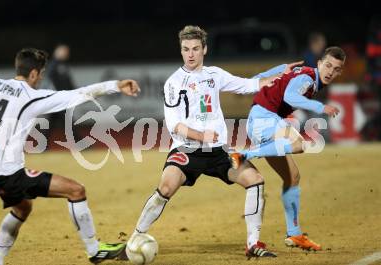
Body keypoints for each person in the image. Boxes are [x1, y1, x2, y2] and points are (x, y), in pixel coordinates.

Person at [0, 48, 140, 264]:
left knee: (23, 208)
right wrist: (115, 85)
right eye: (42, 74)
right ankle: (94, 251)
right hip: (11, 174)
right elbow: (79, 94)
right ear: (34, 74)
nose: (41, 78)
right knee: (76, 190)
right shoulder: (33, 97)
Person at [128, 25, 300, 258]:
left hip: (218, 152)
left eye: (195, 49)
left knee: (255, 180)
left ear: (204, 49)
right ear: (181, 51)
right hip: (187, 150)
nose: (190, 54)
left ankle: (253, 244)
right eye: (186, 49)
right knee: (166, 187)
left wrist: (280, 76)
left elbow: (248, 85)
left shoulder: (214, 75)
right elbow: (174, 125)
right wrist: (201, 136)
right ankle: (135, 238)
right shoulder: (173, 83)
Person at [231, 47, 346, 251]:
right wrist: (321, 107)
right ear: (319, 63)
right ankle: (244, 154)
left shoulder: (298, 73)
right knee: (298, 144)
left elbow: (258, 78)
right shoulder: (308, 78)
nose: (330, 71)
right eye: (328, 65)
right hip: (264, 118)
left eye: (336, 69)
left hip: (259, 119)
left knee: (292, 177)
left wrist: (281, 69)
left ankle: (294, 234)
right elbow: (291, 97)